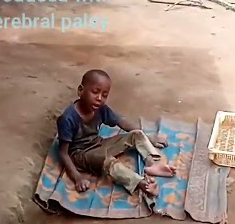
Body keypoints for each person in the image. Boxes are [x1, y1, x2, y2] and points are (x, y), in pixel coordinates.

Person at [56, 69, 176, 197]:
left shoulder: (100, 108)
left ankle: (152, 164)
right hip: (81, 155)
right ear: (81, 90)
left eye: (105, 95)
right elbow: (63, 153)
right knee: (110, 163)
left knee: (136, 134)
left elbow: (121, 122)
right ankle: (142, 184)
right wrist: (77, 177)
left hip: (99, 143)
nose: (99, 98)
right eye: (95, 92)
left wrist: (148, 138)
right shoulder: (68, 119)